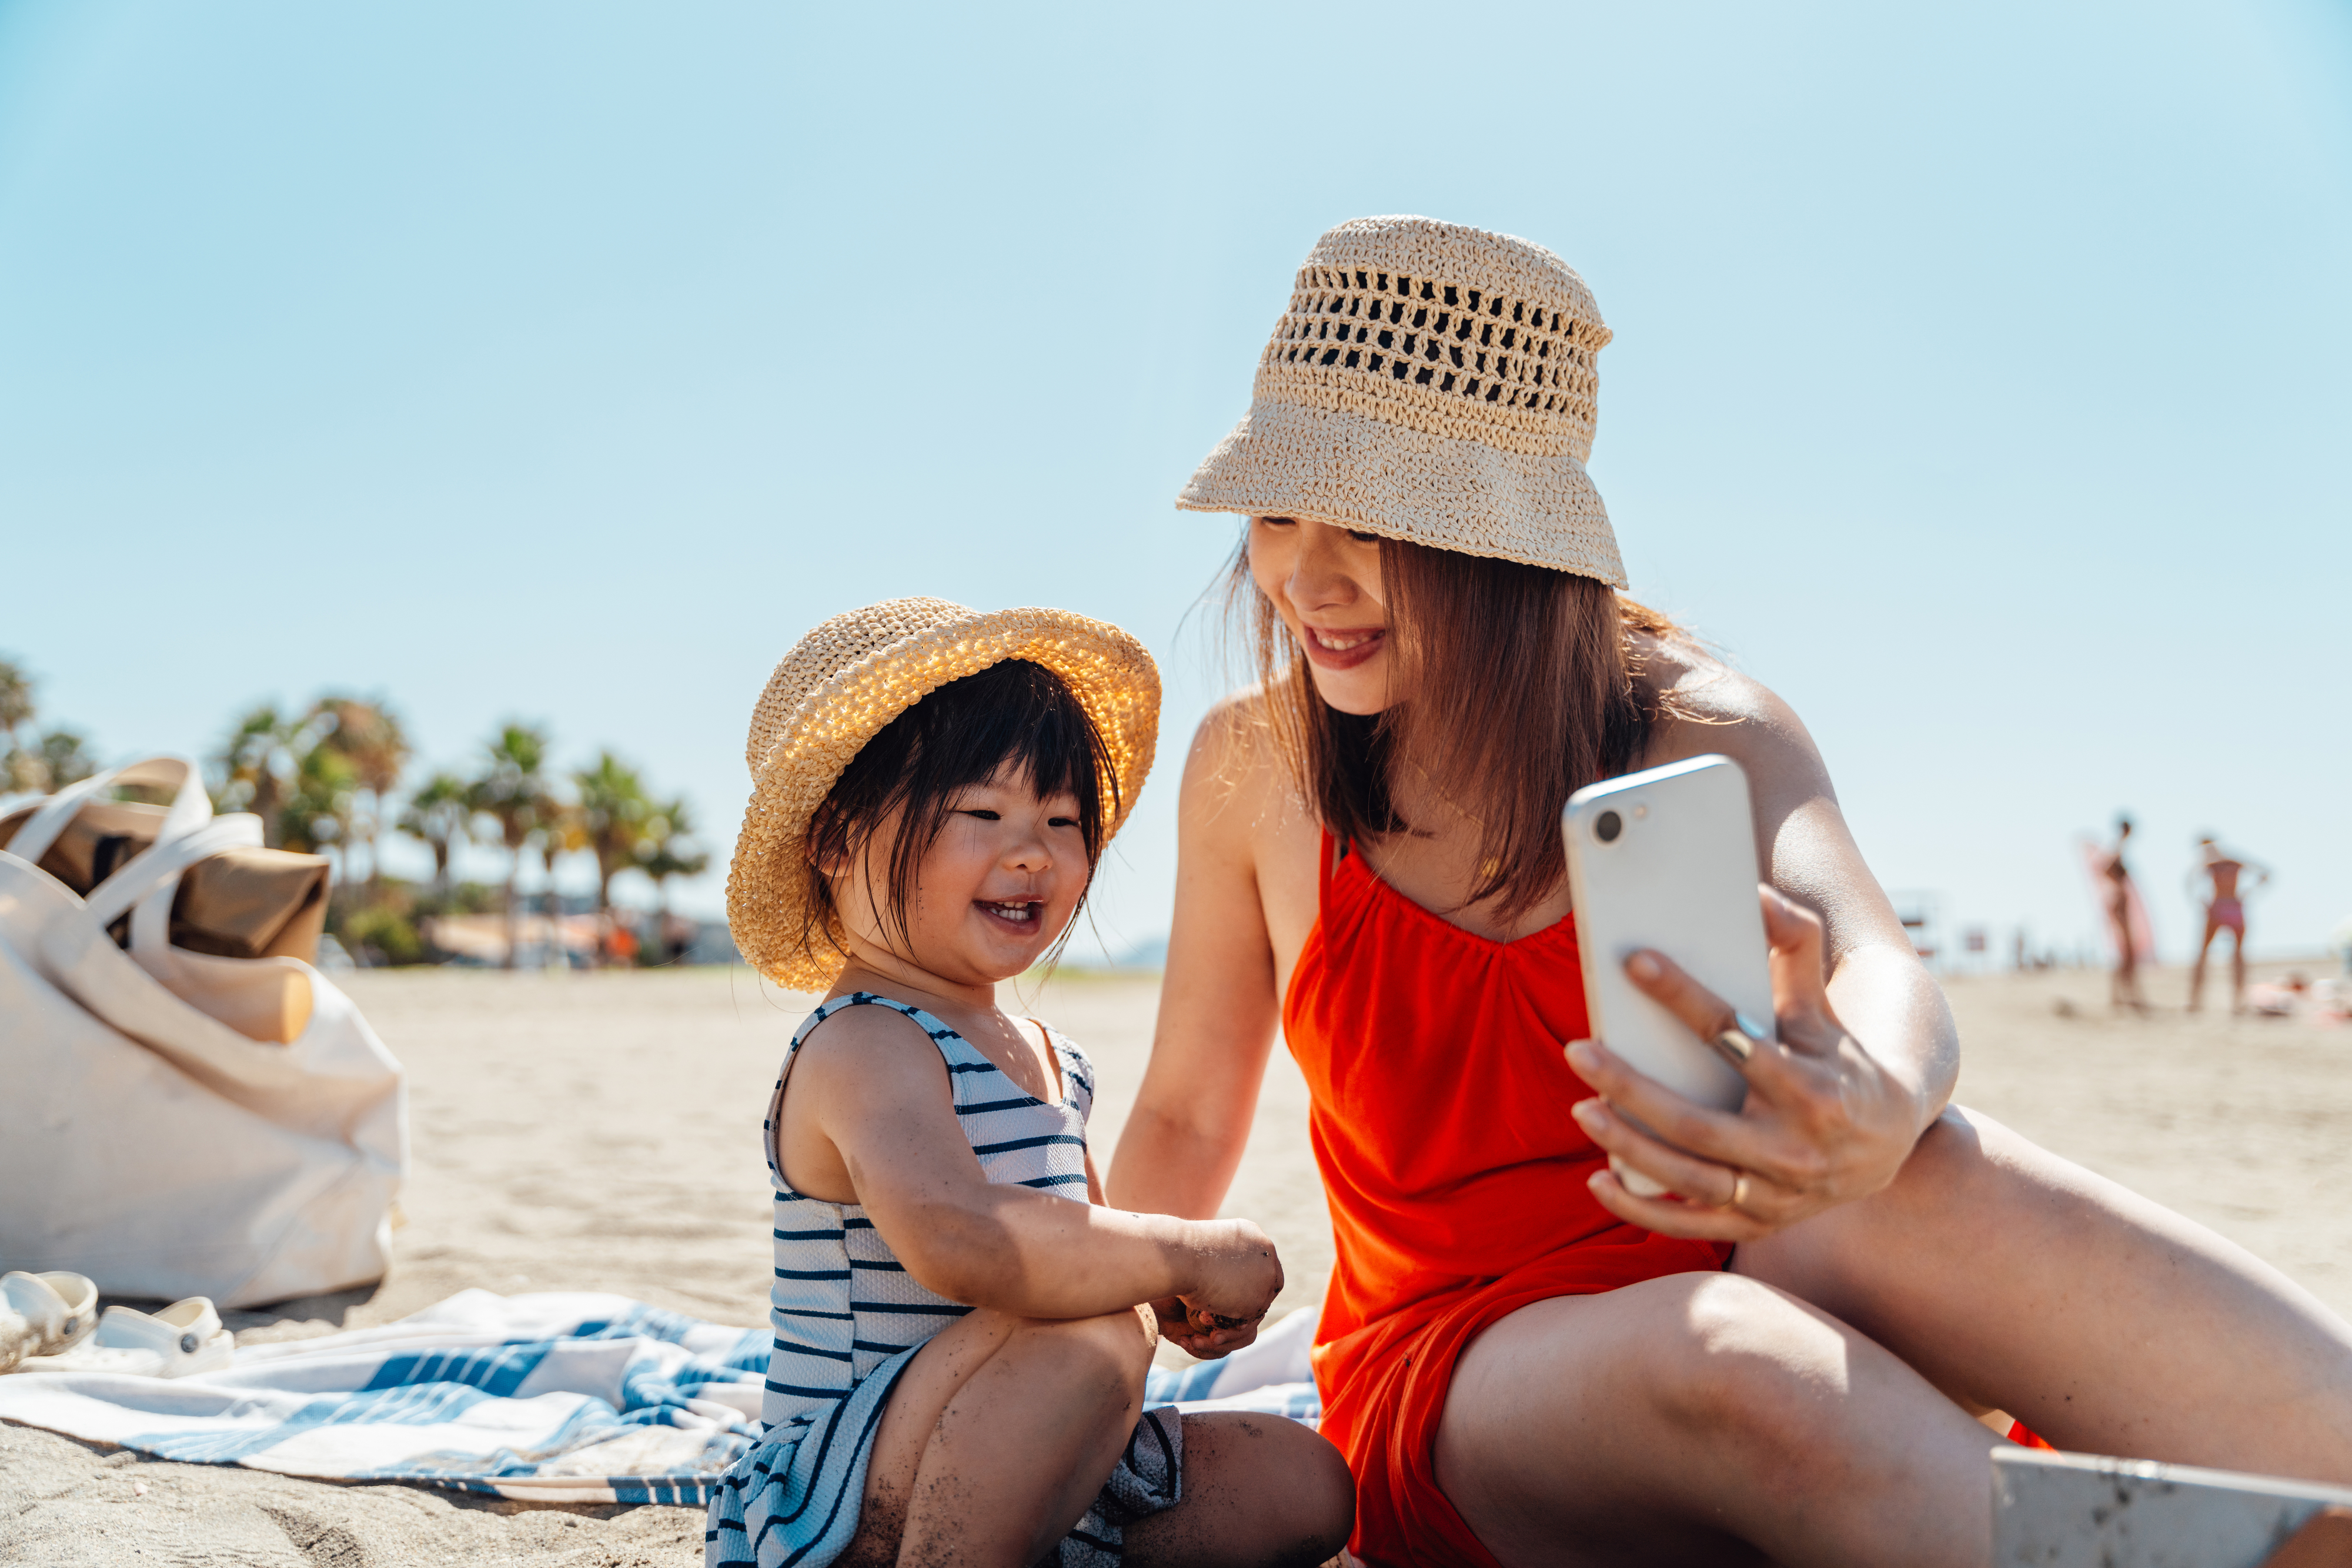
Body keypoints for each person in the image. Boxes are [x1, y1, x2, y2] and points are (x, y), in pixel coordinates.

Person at [1106, 216, 2352, 1568]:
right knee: (1739, 1371)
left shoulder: (1700, 726)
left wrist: (1876, 1093)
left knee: (1939, 1179)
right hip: (1458, 1356)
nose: (1306, 576)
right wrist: (1090, 1376)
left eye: (1373, 523)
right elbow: (1181, 1109)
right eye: (1278, 512)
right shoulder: (1257, 766)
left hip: (1740, 1230)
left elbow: (1877, 963)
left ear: (1506, 546)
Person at [707, 599, 1351, 1568]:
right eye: (983, 813)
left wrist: (1167, 1298)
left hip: (1027, 1445)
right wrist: (1179, 1251)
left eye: (1062, 820)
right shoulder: (863, 1043)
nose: (1032, 851)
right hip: (849, 1490)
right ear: (836, 839)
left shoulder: (1051, 1055)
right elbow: (966, 1241)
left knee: (1306, 1481)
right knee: (1088, 1324)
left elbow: (1078, 1240)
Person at [2188, 834, 2270, 1013]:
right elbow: (2190, 880)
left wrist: (2249, 892)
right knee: (2203, 955)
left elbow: (2266, 872)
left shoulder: (2232, 862)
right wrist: (2199, 900)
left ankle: (2238, 1002)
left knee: (2238, 956)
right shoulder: (2209, 865)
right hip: (2218, 908)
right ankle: (2196, 1001)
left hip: (2231, 907)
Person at [2096, 815, 2149, 1012]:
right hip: (2118, 900)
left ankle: (2123, 996)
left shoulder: (2117, 846)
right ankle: (2124, 996)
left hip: (2118, 899)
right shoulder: (2117, 846)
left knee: (2126, 950)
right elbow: (2105, 868)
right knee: (2125, 949)